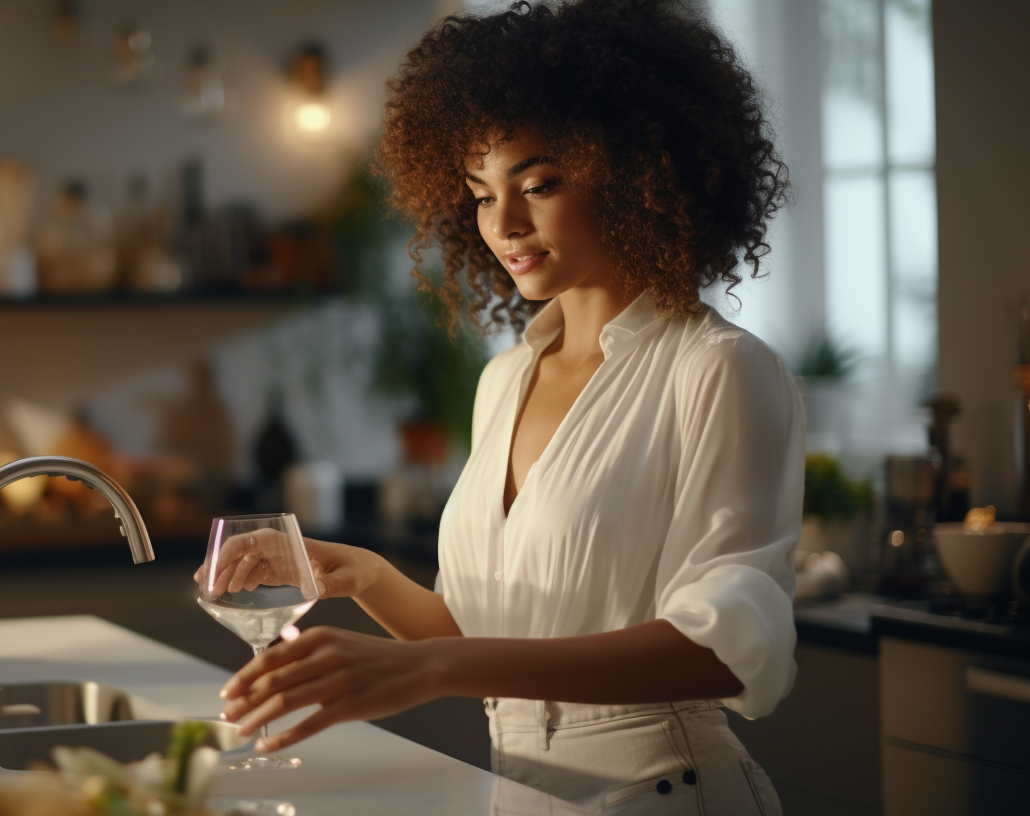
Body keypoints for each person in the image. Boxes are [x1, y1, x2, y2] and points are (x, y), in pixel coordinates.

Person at [203, 1, 800, 812]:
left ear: (638, 174)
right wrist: (366, 575)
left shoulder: (718, 370)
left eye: (540, 184)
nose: (505, 225)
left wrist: (429, 670)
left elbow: (725, 654)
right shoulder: (506, 380)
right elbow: (477, 642)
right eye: (482, 194)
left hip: (666, 792)